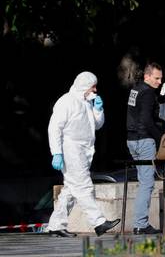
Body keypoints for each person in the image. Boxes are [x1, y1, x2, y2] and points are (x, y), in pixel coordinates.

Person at [46, 72, 120, 237]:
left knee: (71, 190)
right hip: (70, 149)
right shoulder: (66, 101)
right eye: (92, 86)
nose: (95, 89)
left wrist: (98, 110)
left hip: (85, 149)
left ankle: (56, 225)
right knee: (84, 186)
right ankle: (99, 222)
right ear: (84, 86)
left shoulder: (86, 102)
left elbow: (96, 125)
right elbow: (54, 128)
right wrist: (57, 152)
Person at [126, 62, 165, 234]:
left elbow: (151, 102)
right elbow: (146, 120)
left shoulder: (137, 89)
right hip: (144, 140)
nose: (159, 82)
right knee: (147, 184)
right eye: (156, 78)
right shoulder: (148, 92)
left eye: (161, 78)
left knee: (144, 182)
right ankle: (140, 224)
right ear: (147, 76)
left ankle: (140, 223)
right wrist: (162, 139)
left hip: (132, 140)